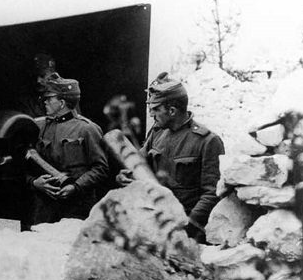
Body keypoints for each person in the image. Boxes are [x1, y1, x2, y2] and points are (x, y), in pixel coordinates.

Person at [118, 72, 225, 242]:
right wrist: (127, 175)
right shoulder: (156, 133)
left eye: (155, 110)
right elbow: (140, 165)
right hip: (154, 224)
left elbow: (211, 193)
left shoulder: (208, 141)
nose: (152, 115)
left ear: (172, 110)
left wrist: (188, 227)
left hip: (186, 232)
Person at [26, 74, 109, 224]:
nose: (45, 102)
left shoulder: (87, 129)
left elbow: (101, 168)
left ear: (62, 102)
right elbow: (27, 164)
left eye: (49, 99)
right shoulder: (40, 127)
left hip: (76, 209)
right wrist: (34, 182)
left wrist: (75, 187)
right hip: (44, 209)